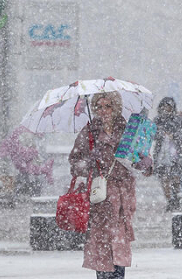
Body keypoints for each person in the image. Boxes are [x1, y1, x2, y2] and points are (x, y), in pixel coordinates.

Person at [68, 92, 152, 279]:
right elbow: (74, 162)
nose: (103, 110)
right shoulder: (89, 132)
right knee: (102, 242)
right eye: (99, 106)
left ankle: (117, 276)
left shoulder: (128, 130)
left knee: (119, 243)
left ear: (116, 107)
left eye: (108, 106)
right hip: (100, 196)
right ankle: (104, 276)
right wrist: (90, 160)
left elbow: (142, 160)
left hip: (122, 196)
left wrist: (144, 163)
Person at [153, 97, 182, 211]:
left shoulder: (178, 120)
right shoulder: (157, 120)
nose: (165, 110)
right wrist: (162, 135)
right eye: (164, 107)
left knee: (176, 178)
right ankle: (170, 201)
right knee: (164, 180)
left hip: (176, 155)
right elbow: (153, 135)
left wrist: (174, 136)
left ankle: (175, 200)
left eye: (168, 107)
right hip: (161, 155)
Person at [0, 126, 54, 197]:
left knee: (27, 188)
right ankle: (27, 198)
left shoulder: (18, 146)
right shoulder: (20, 147)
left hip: (27, 175)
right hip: (27, 175)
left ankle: (25, 198)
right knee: (29, 189)